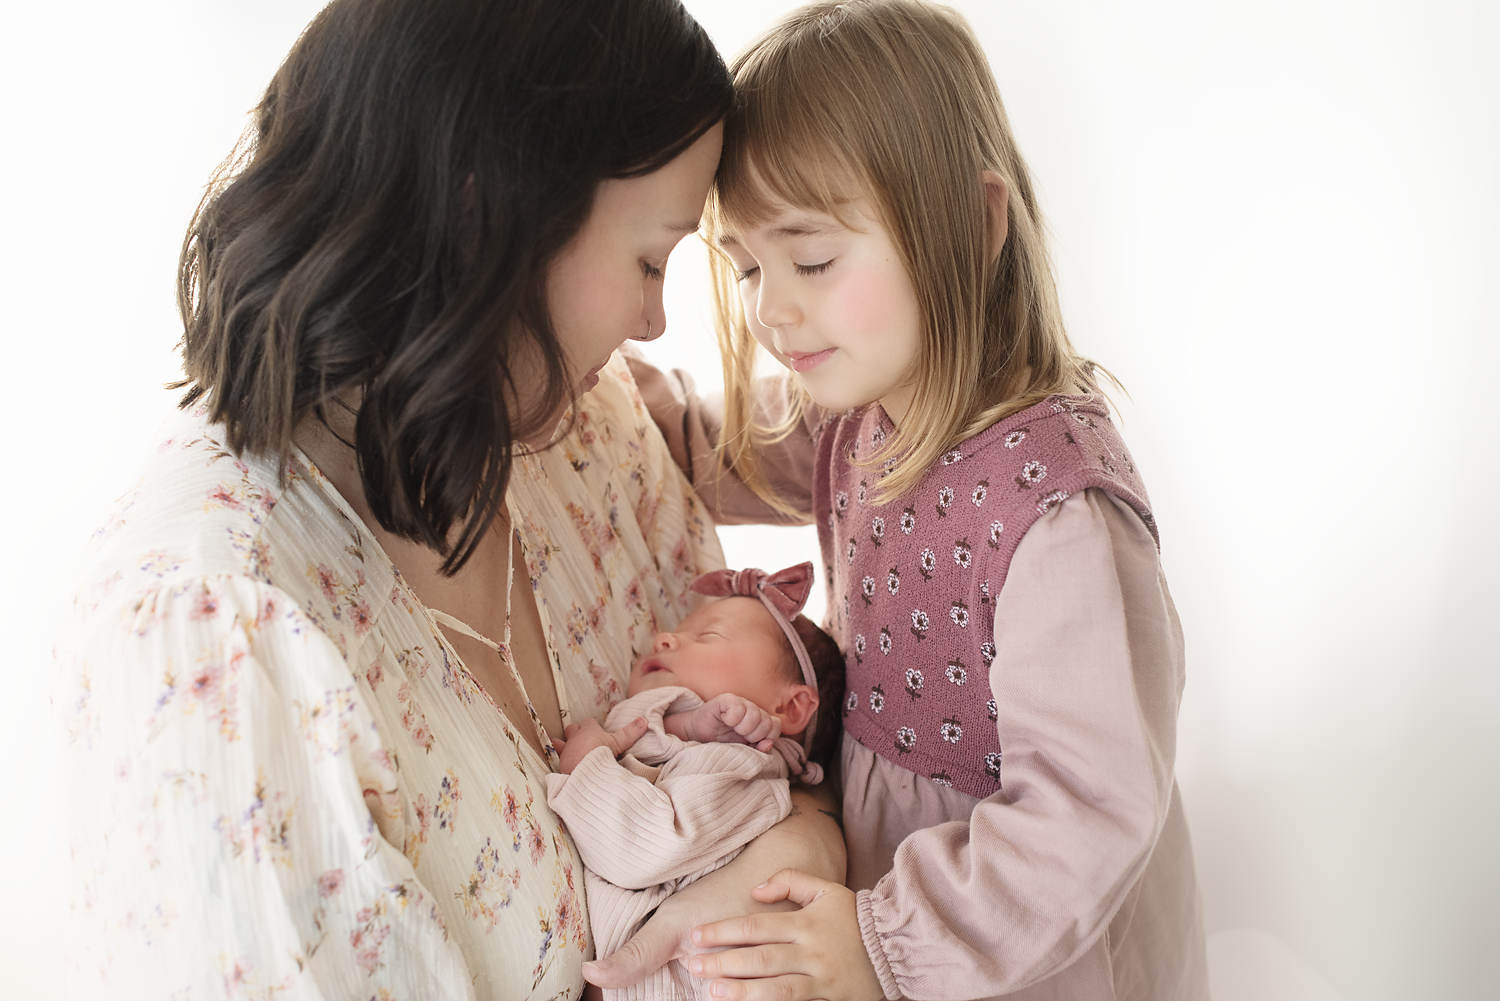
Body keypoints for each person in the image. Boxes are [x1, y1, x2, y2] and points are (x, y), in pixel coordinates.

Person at [54, 2, 844, 999]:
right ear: (490, 212)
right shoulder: (215, 632)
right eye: (652, 258)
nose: (653, 319)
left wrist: (804, 850)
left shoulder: (582, 429)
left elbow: (779, 764)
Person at [624, 1, 1211, 999]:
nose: (772, 307)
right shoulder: (863, 411)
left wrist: (891, 940)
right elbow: (707, 444)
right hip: (889, 912)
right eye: (750, 267)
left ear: (975, 223)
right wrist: (596, 380)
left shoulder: (1059, 515)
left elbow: (1087, 811)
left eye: (811, 260)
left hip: (1026, 952)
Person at [547, 564, 845, 1001]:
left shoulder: (744, 767)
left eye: (709, 636)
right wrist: (683, 725)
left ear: (791, 707)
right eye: (677, 631)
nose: (665, 638)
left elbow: (641, 847)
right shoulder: (704, 751)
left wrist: (584, 763)